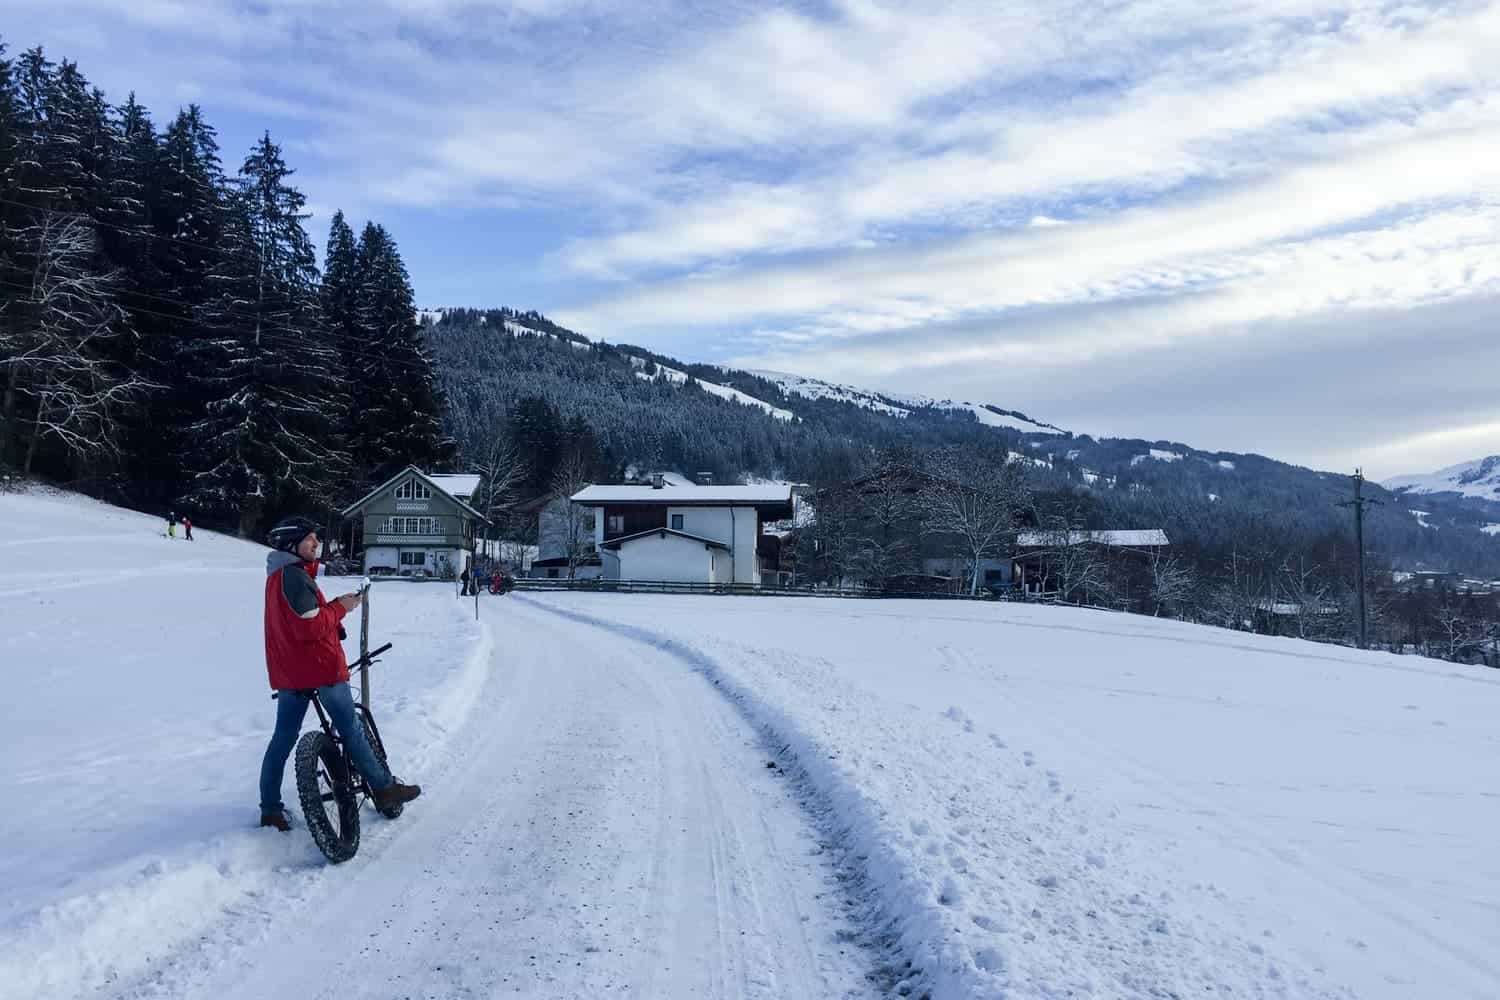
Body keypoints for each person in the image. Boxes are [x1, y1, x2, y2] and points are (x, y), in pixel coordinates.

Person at [258, 516, 421, 831]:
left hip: (291, 673)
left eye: (316, 539)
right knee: (350, 729)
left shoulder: (277, 576)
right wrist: (342, 607)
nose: (316, 545)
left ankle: (270, 809)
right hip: (321, 668)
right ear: (291, 545)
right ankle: (385, 789)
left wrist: (334, 621)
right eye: (310, 540)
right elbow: (308, 627)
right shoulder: (293, 576)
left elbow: (302, 620)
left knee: (282, 738)